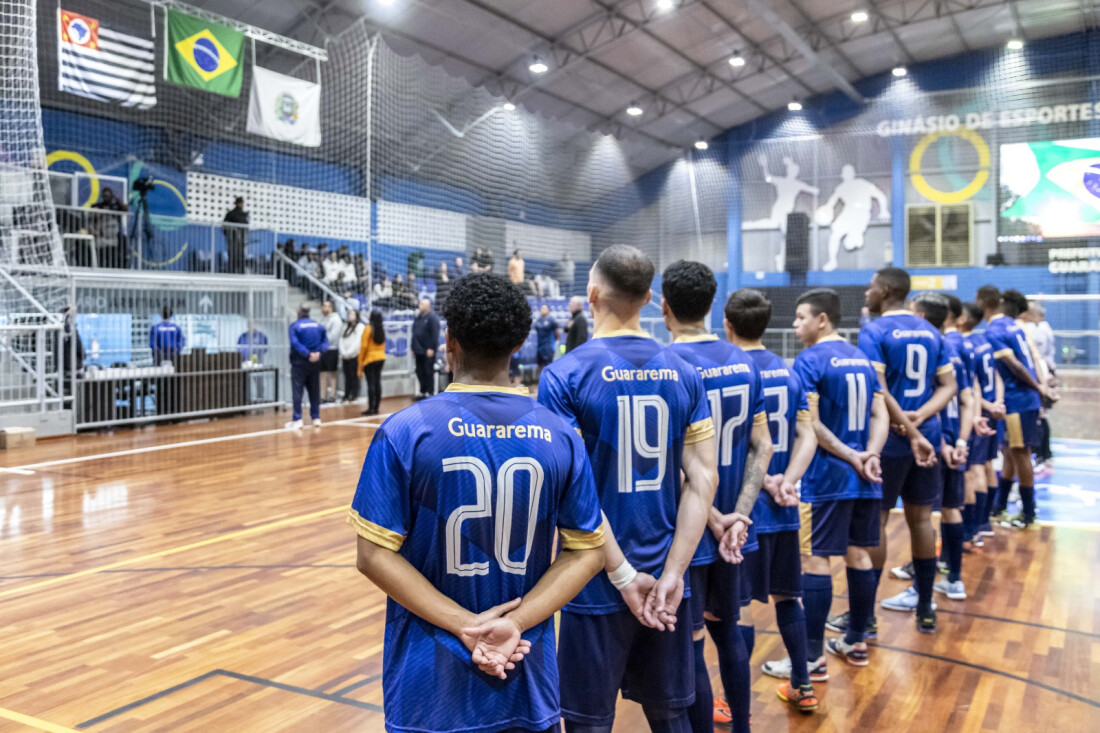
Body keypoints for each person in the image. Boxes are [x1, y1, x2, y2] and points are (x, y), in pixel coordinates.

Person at [348, 272, 605, 733]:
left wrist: (466, 625)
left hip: (428, 684)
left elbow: (372, 556)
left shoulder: (406, 430)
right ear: (520, 343)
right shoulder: (561, 435)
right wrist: (517, 621)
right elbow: (588, 551)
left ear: (449, 339)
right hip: (524, 668)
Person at [536, 244, 719, 733]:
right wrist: (676, 573)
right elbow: (703, 478)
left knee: (588, 722)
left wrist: (619, 572)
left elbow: (570, 489)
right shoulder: (685, 372)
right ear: (648, 299)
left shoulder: (565, 375)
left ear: (592, 294)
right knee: (670, 713)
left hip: (593, 577)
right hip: (664, 576)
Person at [662, 262, 775, 730]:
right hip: (734, 531)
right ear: (713, 307)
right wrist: (739, 517)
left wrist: (713, 518)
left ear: (664, 307)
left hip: (690, 531)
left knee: (690, 645)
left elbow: (677, 463)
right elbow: (763, 445)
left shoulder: (667, 367)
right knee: (728, 631)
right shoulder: (744, 361)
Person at [725, 289, 820, 715]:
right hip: (785, 506)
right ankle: (803, 683)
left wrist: (765, 483)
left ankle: (731, 701)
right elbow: (808, 434)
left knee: (738, 609)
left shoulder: (732, 372)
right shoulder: (789, 372)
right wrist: (788, 481)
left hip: (745, 510)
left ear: (728, 325)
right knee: (788, 598)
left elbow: (741, 445)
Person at [789, 288, 888, 674]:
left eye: (800, 317)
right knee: (858, 554)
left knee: (816, 561)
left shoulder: (810, 360)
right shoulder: (861, 357)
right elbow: (880, 412)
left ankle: (812, 657)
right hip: (867, 475)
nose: (796, 325)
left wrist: (849, 456)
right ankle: (856, 640)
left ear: (822, 319)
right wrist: (871, 455)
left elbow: (811, 423)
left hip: (828, 476)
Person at [856, 268, 954, 635]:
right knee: (921, 520)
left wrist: (909, 429)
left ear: (884, 290)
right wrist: (922, 418)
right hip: (927, 436)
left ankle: (865, 618)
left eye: (870, 286)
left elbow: (878, 390)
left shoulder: (875, 331)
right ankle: (926, 608)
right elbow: (949, 386)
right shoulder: (930, 330)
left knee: (877, 521)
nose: (867, 292)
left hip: (893, 440)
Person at [908, 293, 976, 602]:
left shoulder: (933, 349)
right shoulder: (960, 348)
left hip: (934, 442)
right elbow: (967, 398)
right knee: (950, 510)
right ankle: (954, 579)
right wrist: (962, 441)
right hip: (954, 441)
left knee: (921, 518)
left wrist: (946, 442)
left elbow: (931, 401)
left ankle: (920, 591)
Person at [979, 286, 1056, 529]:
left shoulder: (995, 329)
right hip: (1020, 398)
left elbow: (1016, 366)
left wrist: (1039, 388)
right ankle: (1000, 506)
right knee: (1010, 452)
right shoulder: (1015, 326)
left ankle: (1028, 513)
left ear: (983, 303)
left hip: (1017, 400)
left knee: (1020, 454)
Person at [959, 301, 1004, 545]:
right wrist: (998, 402)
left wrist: (983, 409)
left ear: (962, 319)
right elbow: (996, 377)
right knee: (987, 465)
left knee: (973, 471)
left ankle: (971, 530)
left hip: (976, 414)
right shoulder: (982, 342)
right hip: (989, 412)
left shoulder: (962, 346)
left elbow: (973, 387)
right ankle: (984, 523)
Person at [819, 165, 888, 272]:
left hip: (861, 214)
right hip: (847, 213)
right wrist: (825, 211)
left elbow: (880, 196)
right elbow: (831, 202)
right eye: (844, 172)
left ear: (853, 173)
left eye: (849, 172)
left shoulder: (862, 183)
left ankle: (856, 238)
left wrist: (884, 211)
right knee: (835, 234)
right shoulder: (841, 187)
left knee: (851, 242)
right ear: (842, 175)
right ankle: (832, 261)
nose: (847, 175)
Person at [287, 304, 328, 429]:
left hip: (300, 363)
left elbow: (295, 343)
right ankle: (316, 418)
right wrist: (318, 352)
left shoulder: (294, 326)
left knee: (297, 391)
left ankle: (298, 419)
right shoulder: (318, 326)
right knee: (314, 390)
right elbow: (325, 341)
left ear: (299, 313)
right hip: (315, 363)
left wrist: (307, 354)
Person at [358, 309, 386, 416]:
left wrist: (361, 362)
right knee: (377, 382)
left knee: (371, 384)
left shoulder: (368, 329)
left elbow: (364, 347)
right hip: (381, 358)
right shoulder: (381, 329)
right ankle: (376, 407)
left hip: (370, 359)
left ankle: (371, 408)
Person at [91, 187, 128, 268]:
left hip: (112, 237)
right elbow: (93, 213)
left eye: (108, 195)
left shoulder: (115, 207)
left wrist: (117, 200)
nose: (106, 197)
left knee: (113, 256)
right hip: (101, 236)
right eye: (104, 195)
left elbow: (125, 209)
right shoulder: (99, 206)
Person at [411, 298, 440, 400]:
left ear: (428, 306)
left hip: (427, 350)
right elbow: (414, 333)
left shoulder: (432, 318)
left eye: (422, 304)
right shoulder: (418, 317)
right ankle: (422, 392)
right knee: (420, 372)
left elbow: (434, 334)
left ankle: (430, 392)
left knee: (428, 371)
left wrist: (431, 348)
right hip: (418, 350)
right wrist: (413, 348)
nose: (420, 305)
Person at [339, 309, 365, 404]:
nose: (350, 315)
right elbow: (341, 340)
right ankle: (347, 393)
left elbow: (358, 342)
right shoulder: (346, 327)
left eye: (352, 314)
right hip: (345, 356)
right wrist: (343, 352)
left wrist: (349, 353)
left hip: (354, 355)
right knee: (347, 376)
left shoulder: (360, 327)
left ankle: (354, 394)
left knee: (354, 375)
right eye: (349, 314)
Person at [319, 301, 342, 403]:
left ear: (331, 308)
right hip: (322, 349)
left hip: (332, 349)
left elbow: (333, 336)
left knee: (332, 373)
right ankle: (323, 396)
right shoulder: (322, 319)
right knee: (322, 373)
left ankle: (332, 395)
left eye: (327, 306)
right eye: (324, 306)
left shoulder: (336, 319)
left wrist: (322, 342)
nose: (325, 308)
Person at [223, 196, 249, 274]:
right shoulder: (231, 214)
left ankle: (241, 274)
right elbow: (225, 227)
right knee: (232, 257)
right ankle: (232, 273)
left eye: (242, 203)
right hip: (232, 240)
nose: (241, 204)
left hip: (241, 241)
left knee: (241, 258)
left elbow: (246, 227)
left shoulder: (244, 214)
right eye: (240, 203)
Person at [533, 304, 559, 379]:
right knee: (540, 365)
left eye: (544, 308)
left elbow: (557, 334)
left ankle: (549, 382)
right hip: (539, 347)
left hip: (548, 347)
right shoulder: (538, 320)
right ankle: (541, 381)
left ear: (548, 310)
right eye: (541, 308)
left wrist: (553, 343)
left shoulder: (552, 320)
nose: (542, 310)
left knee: (548, 366)